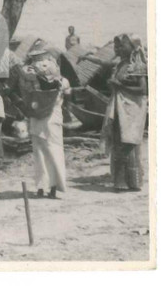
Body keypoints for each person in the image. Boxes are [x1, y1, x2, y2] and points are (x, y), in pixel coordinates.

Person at [80, 34, 148, 191]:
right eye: (116, 46)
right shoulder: (121, 63)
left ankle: (130, 181)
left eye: (122, 45)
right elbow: (105, 63)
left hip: (131, 110)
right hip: (120, 107)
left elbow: (143, 90)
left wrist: (119, 86)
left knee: (127, 143)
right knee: (119, 141)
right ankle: (121, 181)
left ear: (132, 47)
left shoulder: (137, 65)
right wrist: (89, 58)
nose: (118, 48)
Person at [25, 48, 70, 199]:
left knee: (41, 152)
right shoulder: (63, 82)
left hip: (42, 117)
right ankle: (50, 187)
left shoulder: (32, 77)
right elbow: (67, 97)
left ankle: (44, 186)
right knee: (52, 151)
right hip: (50, 118)